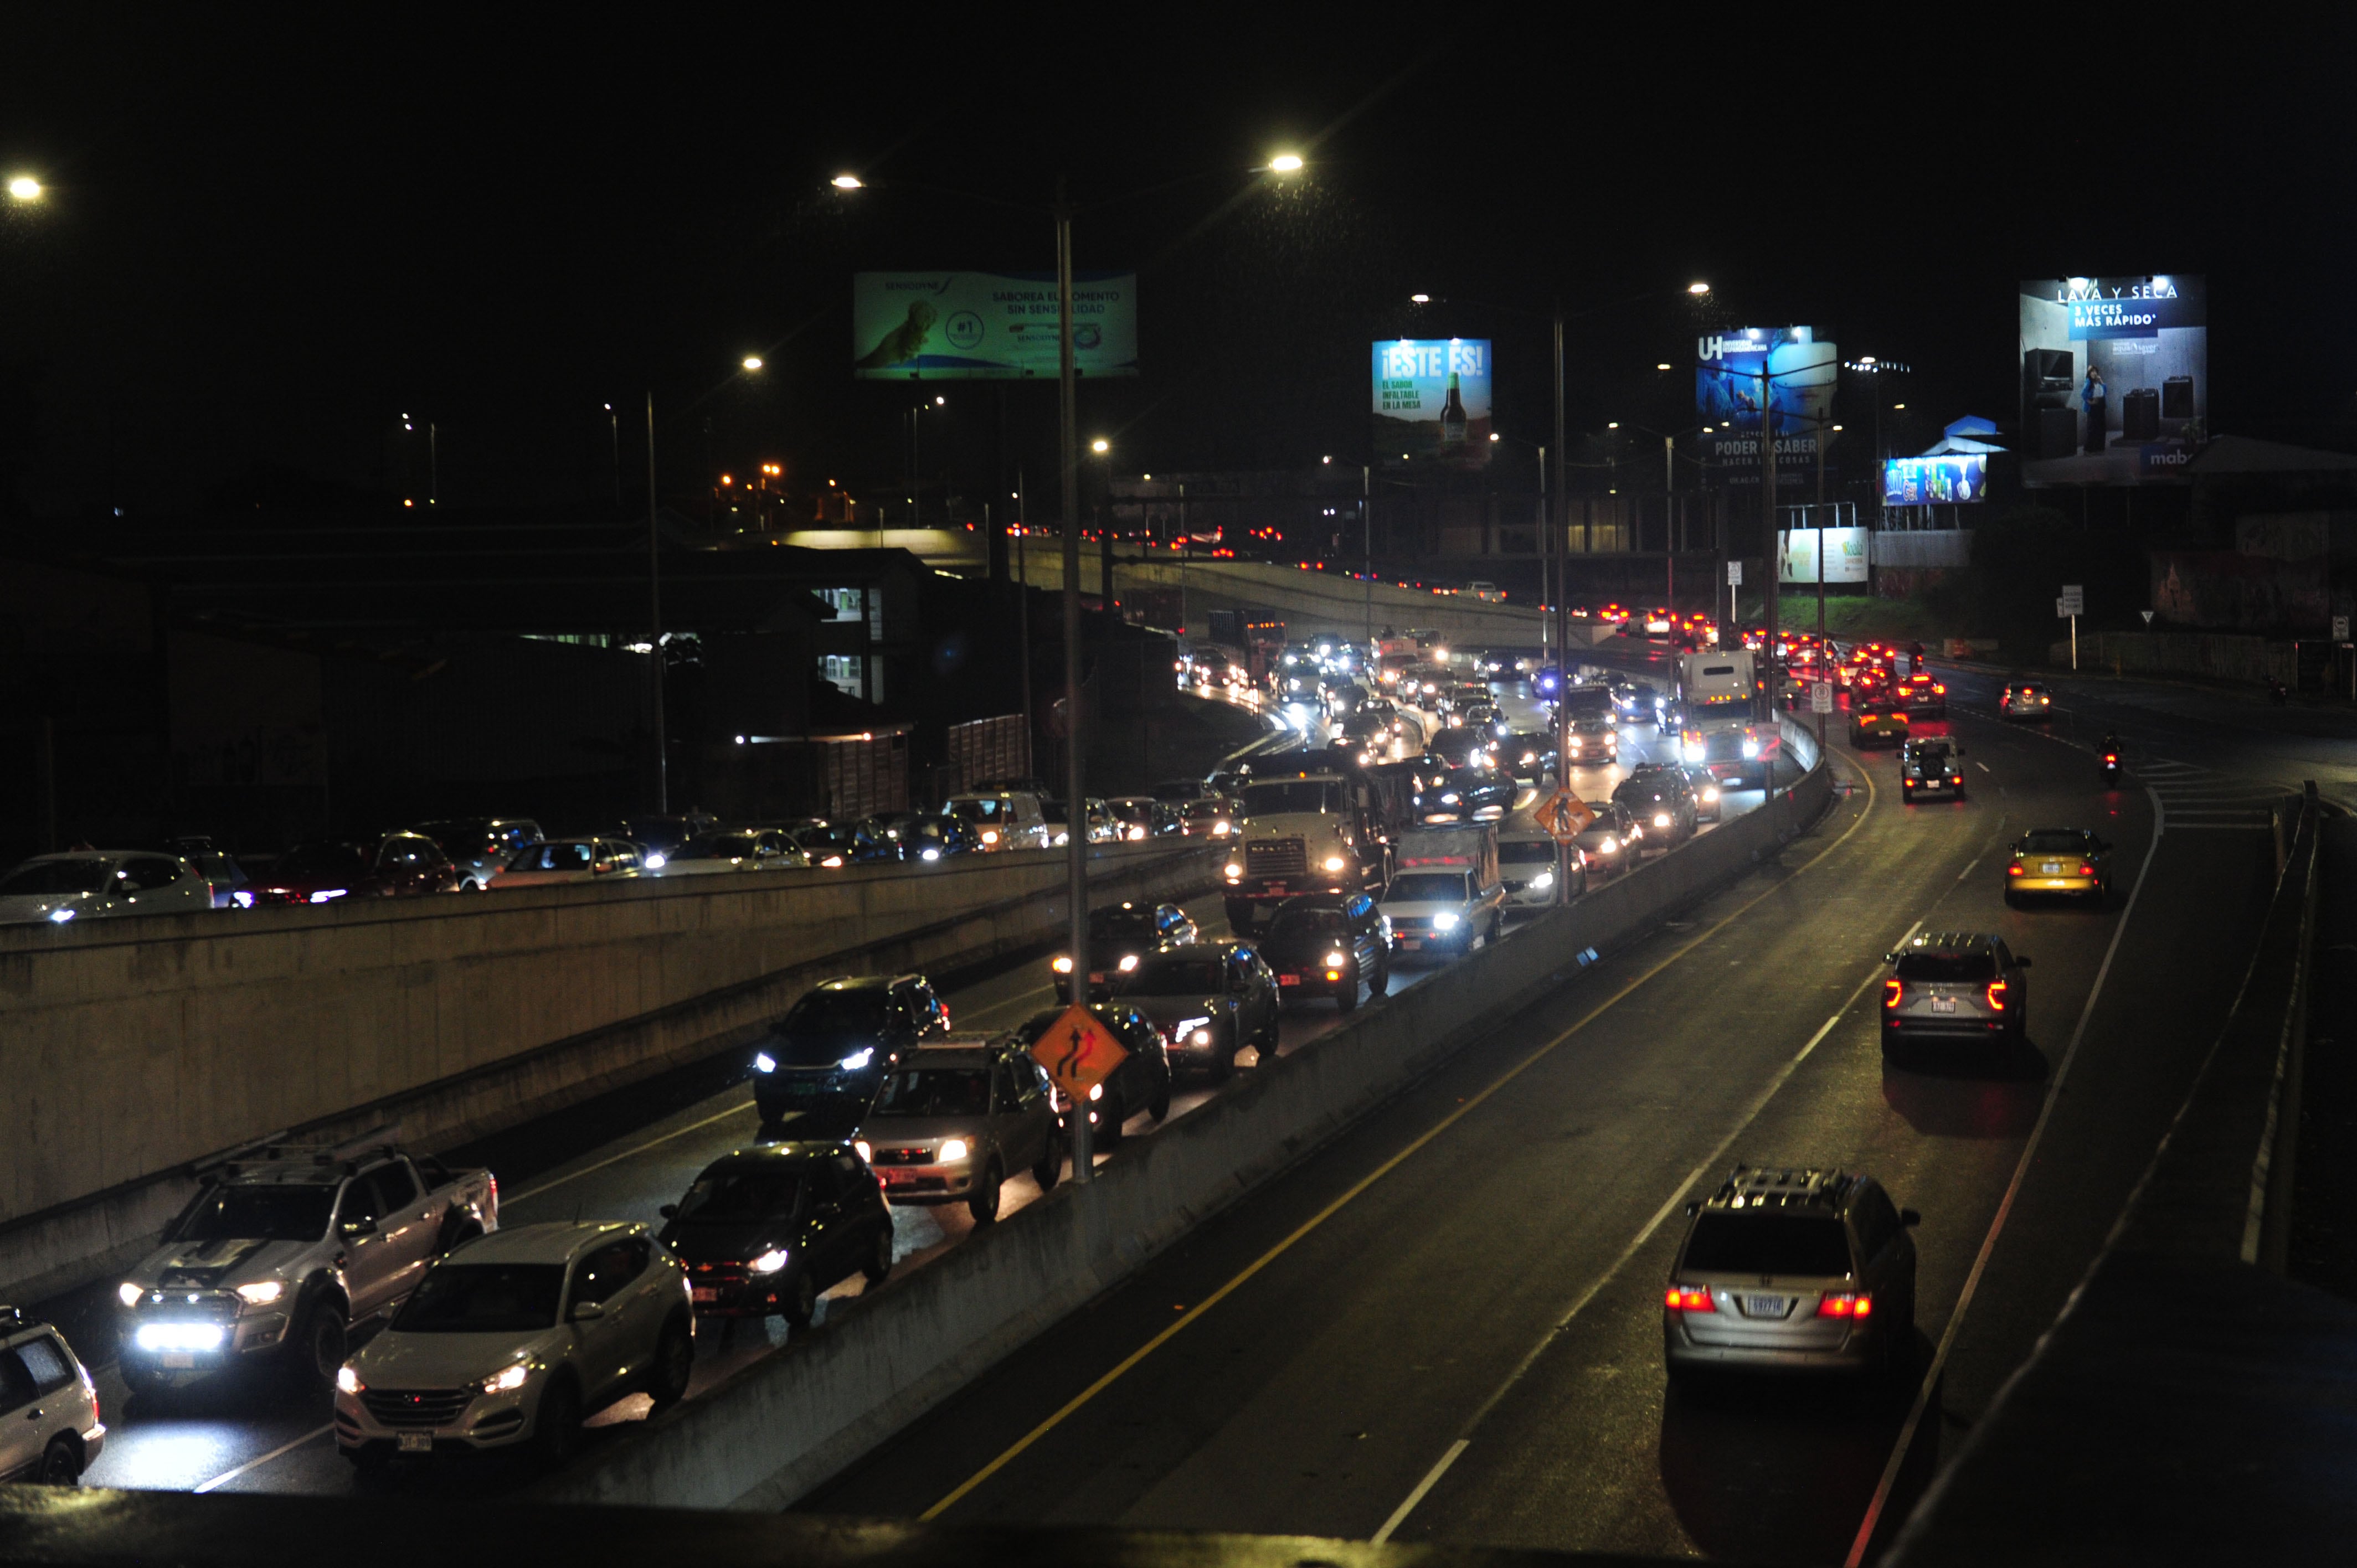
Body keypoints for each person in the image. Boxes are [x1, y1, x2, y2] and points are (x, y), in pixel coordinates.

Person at [2082, 365, 2109, 454]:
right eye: (2092, 372)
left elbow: (2105, 391)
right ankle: (2088, 449)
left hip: (2101, 406)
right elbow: (2084, 394)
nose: (2094, 373)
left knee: (2101, 427)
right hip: (2093, 408)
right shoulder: (2089, 382)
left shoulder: (2098, 381)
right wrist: (2090, 401)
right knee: (2092, 428)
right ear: (2089, 374)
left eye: (2095, 372)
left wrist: (2101, 382)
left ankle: (2099, 448)